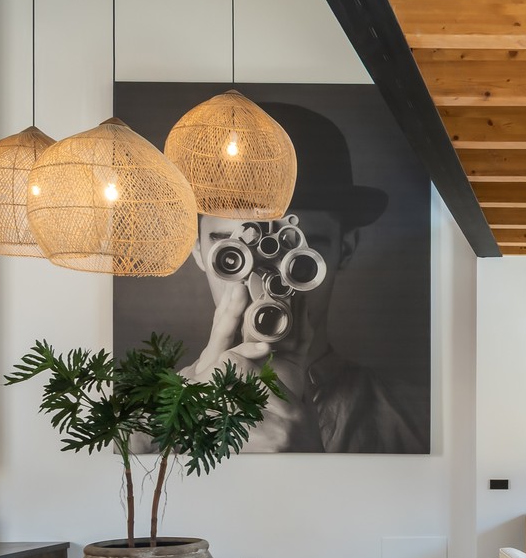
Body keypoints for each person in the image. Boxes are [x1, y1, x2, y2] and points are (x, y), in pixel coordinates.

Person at [178, 102, 428, 454]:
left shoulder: (420, 424)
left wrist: (310, 464)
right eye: (232, 255)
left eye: (299, 258)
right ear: (198, 250)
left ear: (345, 248)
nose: (263, 279)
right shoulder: (133, 427)